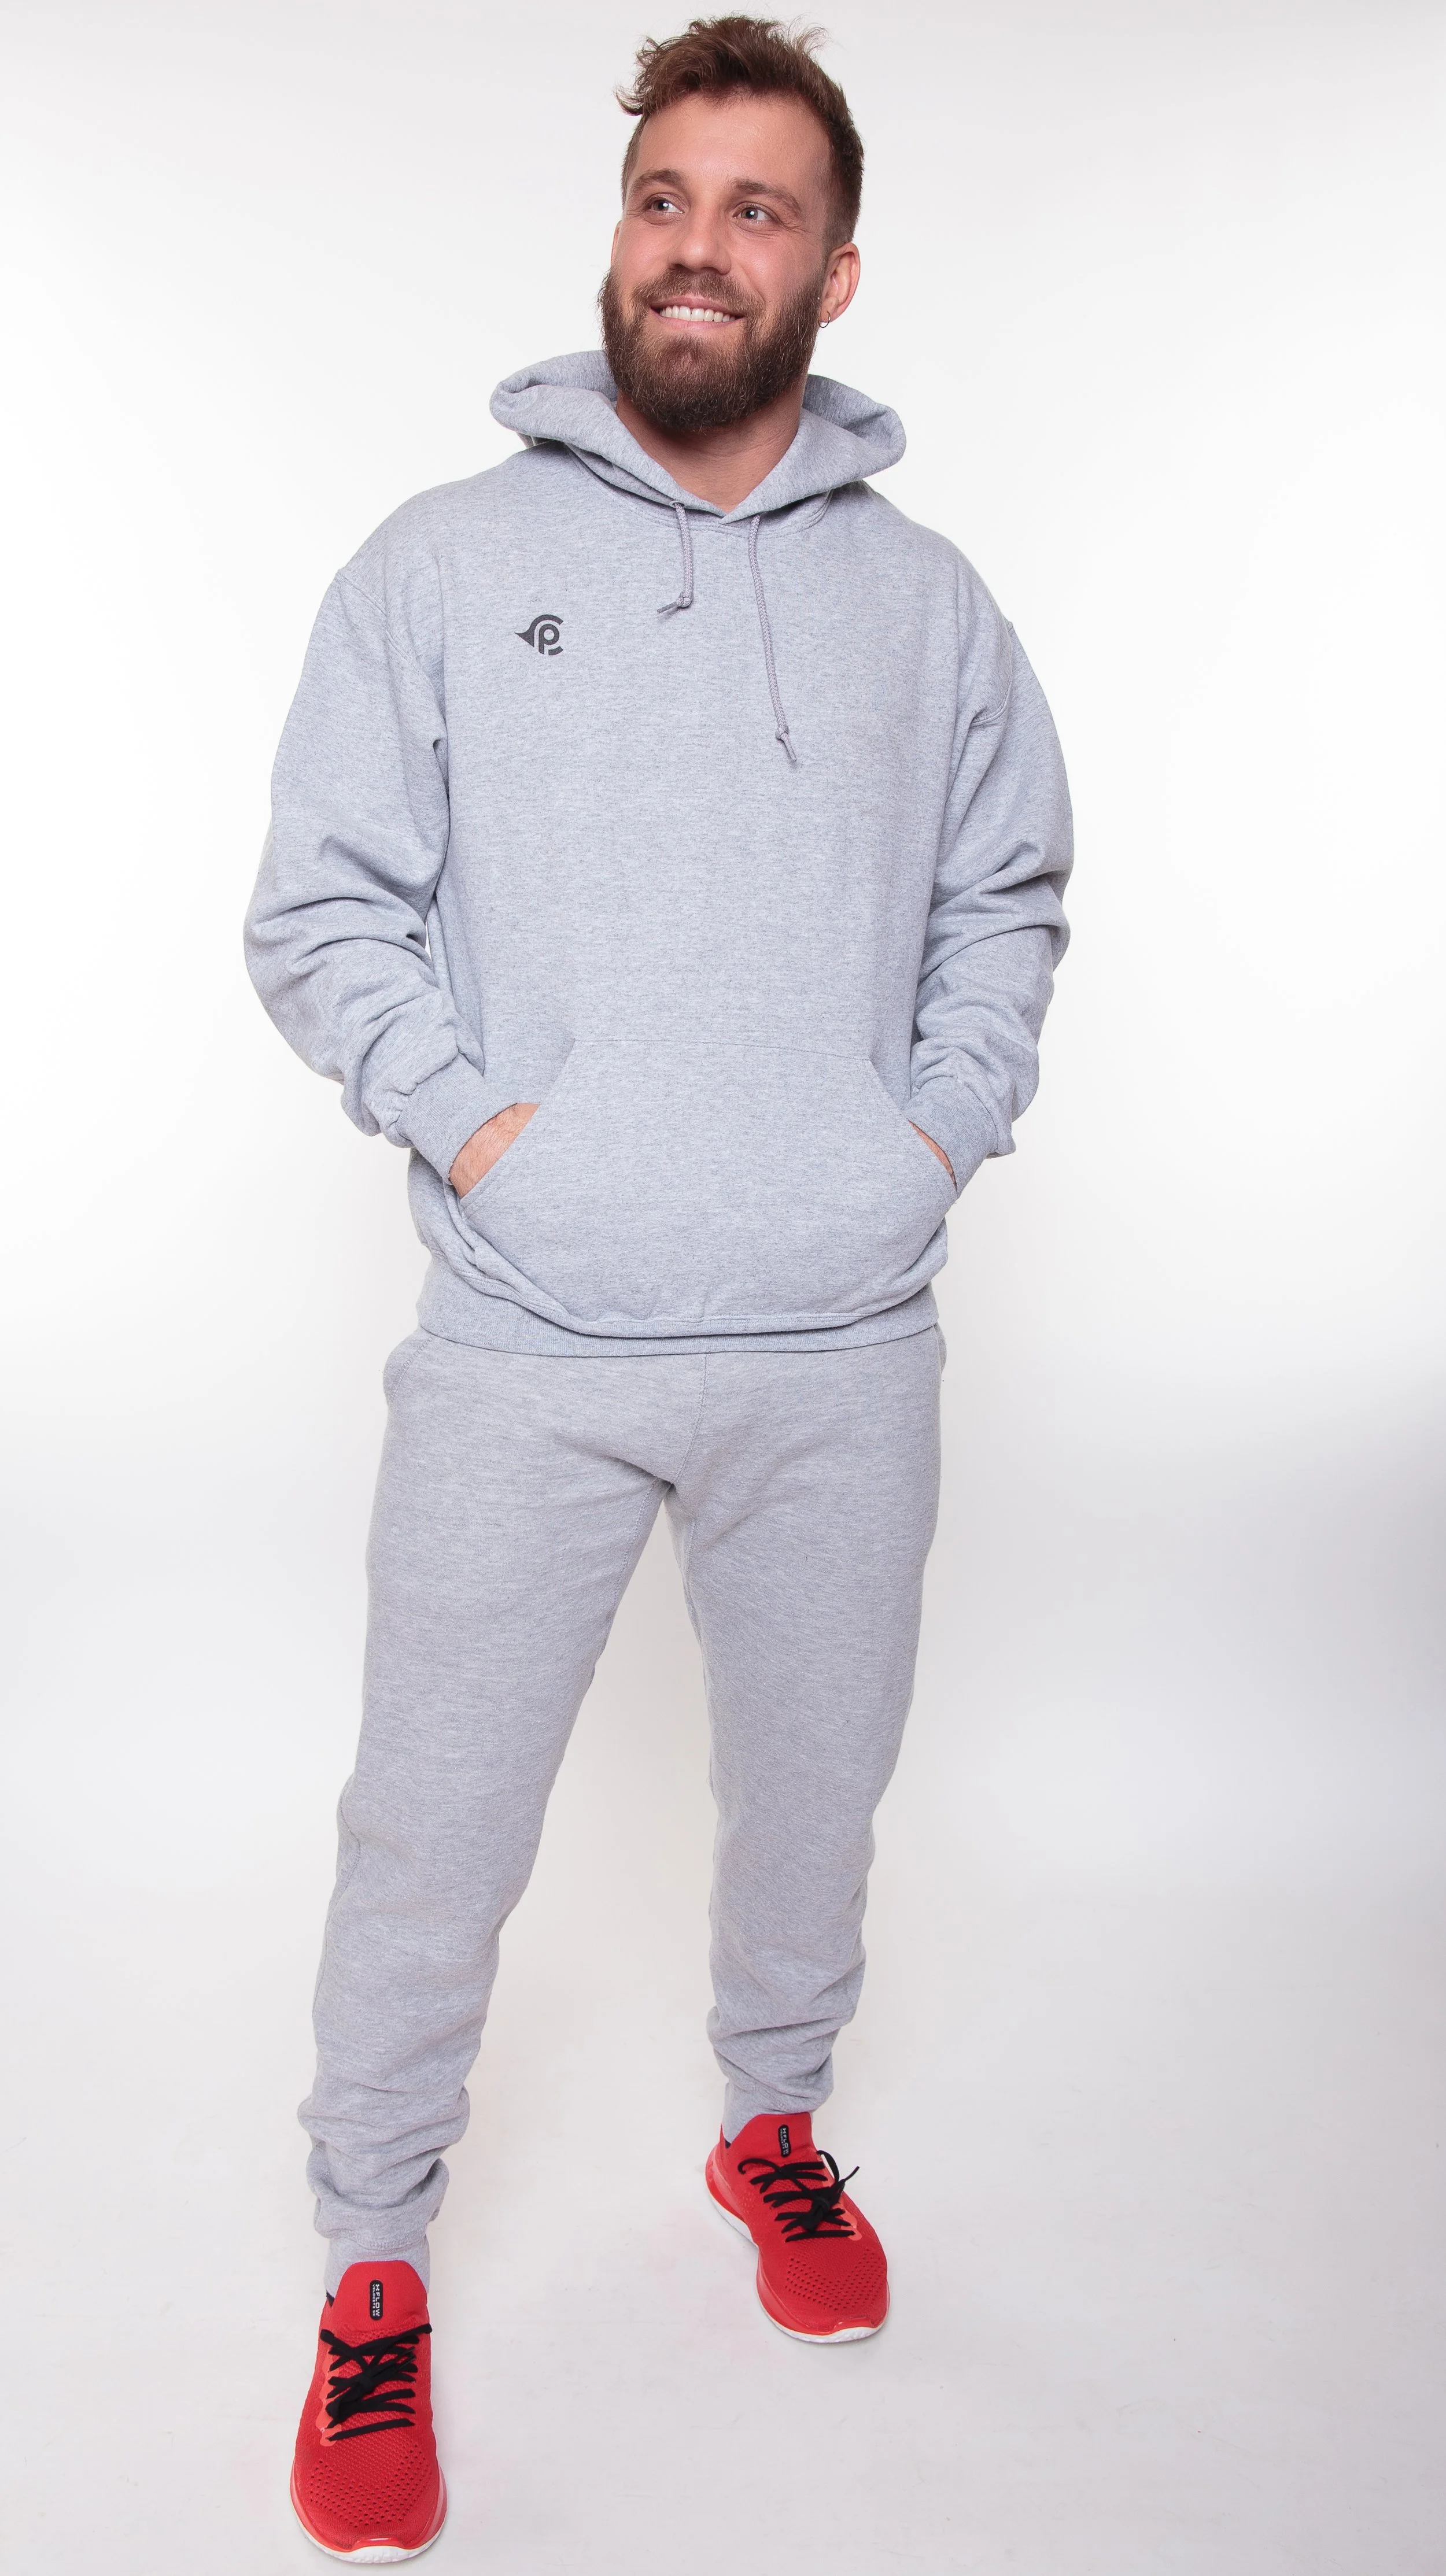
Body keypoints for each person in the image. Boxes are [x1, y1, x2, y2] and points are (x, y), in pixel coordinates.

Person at [247, 13, 1072, 2558]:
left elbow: (1008, 901)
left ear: (836, 268)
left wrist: (921, 1137)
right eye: (661, 198)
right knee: (431, 1830)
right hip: (529, 1341)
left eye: (753, 208)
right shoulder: (438, 565)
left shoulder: (930, 608)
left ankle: (771, 2126)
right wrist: (486, 1129)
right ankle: (373, 2262)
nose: (695, 248)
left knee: (816, 1794)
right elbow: (319, 912)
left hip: (841, 1342)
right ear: (618, 234)